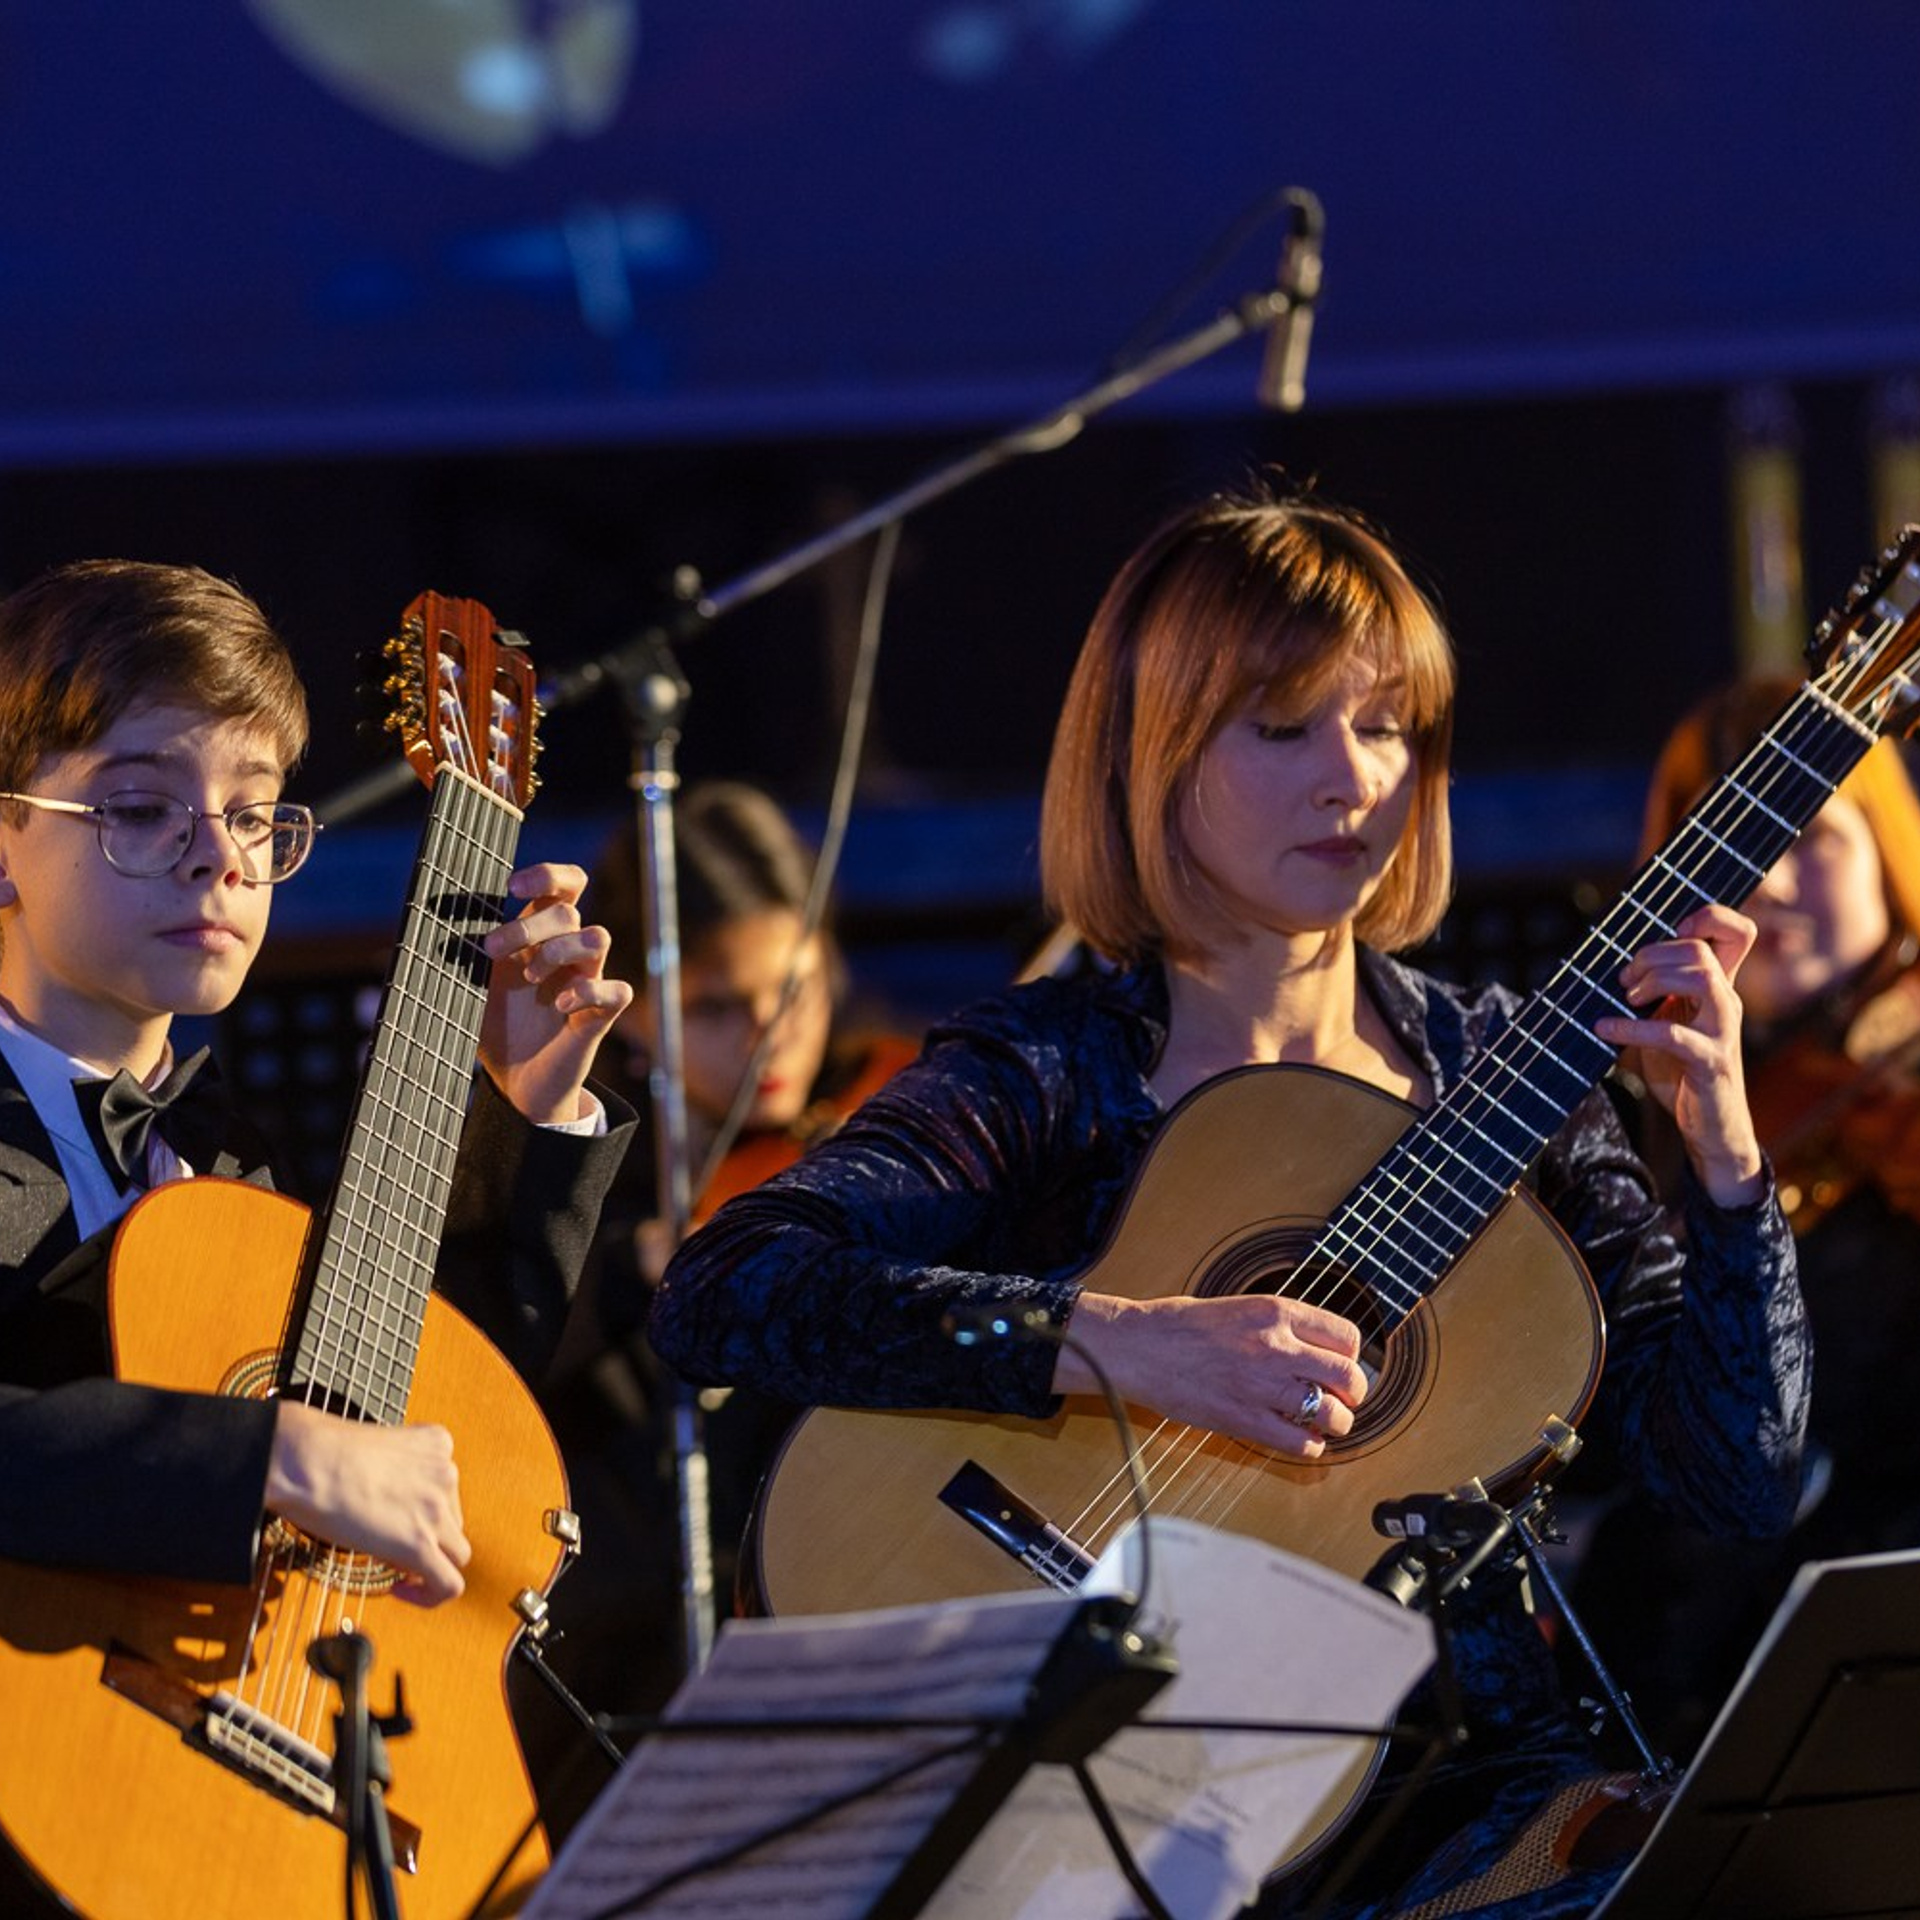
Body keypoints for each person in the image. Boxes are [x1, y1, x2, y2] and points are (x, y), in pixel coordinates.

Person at [648, 479, 1812, 1917]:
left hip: (1471, 1811)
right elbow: (726, 1290)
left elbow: (1737, 1479)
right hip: (1103, 1775)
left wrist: (1728, 1166)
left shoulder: (1511, 1076)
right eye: (1285, 728)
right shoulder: (1054, 1073)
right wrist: (1124, 1342)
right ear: (1157, 753)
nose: (1355, 777)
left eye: (1387, 724)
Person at [0, 556, 636, 1616]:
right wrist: (264, 1456)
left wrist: (521, 1109)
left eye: (252, 814)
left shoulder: (238, 1158)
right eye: (143, 807)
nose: (220, 858)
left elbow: (426, 1415)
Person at [525, 780, 917, 1829]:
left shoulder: (888, 1121)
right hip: (635, 1617)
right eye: (714, 1007)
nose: (768, 1037)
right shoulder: (586, 1156)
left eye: (794, 991)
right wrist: (633, 1268)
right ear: (636, 1006)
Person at [1570, 673, 1920, 1761]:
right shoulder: (1623, 1106)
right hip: (1681, 1660)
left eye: (1811, 836)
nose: (1765, 881)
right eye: (1722, 844)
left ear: (1888, 849)